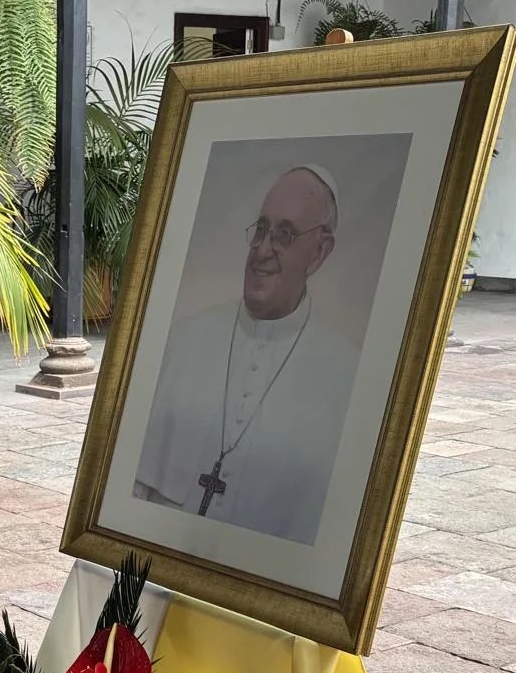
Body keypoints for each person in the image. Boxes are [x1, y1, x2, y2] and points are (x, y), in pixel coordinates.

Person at [133, 165, 361, 545]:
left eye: (285, 235)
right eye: (261, 229)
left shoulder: (347, 373)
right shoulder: (186, 337)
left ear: (319, 253)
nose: (263, 250)